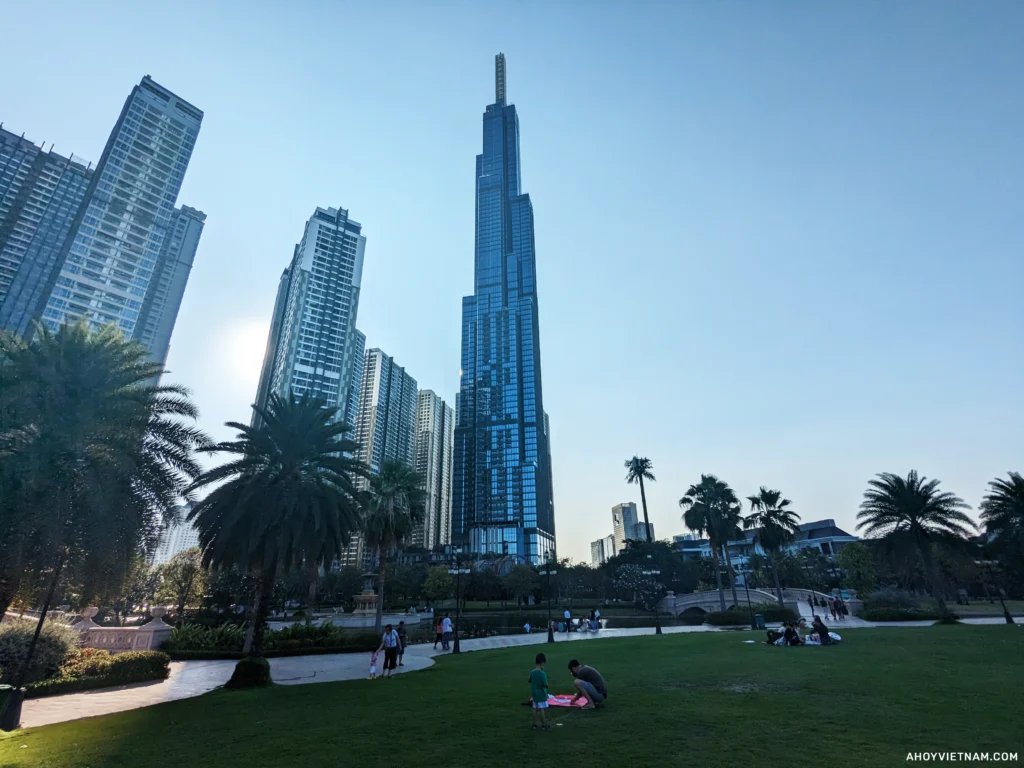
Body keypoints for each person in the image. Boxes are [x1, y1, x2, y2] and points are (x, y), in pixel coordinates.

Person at [529, 653, 551, 730]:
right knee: (542, 709)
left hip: (534, 694)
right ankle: (544, 724)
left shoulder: (532, 672)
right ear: (542, 663)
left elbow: (530, 680)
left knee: (535, 709)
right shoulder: (542, 673)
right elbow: (546, 684)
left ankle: (534, 724)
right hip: (541, 694)